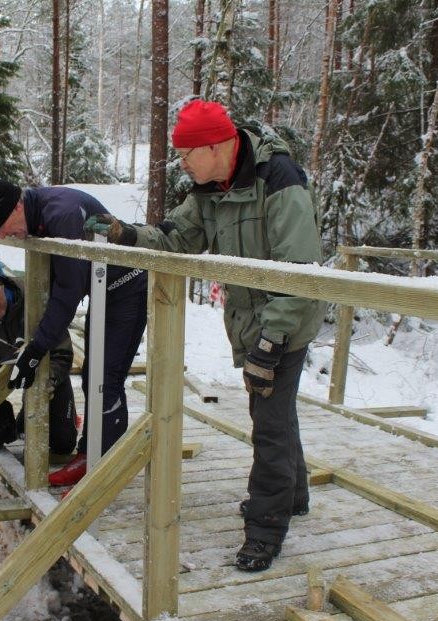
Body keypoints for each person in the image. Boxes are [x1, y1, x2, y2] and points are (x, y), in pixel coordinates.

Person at [86, 99, 326, 572]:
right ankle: (294, 495)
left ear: (215, 147)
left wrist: (270, 342)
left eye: (186, 155)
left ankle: (265, 527)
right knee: (272, 408)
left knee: (271, 422)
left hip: (286, 317)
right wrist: (124, 234)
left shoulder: (280, 180)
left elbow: (299, 271)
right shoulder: (209, 189)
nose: (181, 164)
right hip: (251, 318)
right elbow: (177, 240)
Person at [0, 179, 148, 487]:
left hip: (126, 287)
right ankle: (91, 455)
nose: (0, 235)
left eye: (1, 225)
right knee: (94, 377)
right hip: (102, 287)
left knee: (106, 379)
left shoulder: (62, 214)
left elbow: (68, 291)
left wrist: (38, 348)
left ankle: (104, 470)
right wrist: (32, 341)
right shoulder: (36, 213)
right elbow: (56, 282)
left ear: (17, 205)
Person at [0, 261, 78, 455]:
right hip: (0, 368)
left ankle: (25, 417)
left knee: (63, 444)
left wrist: (49, 379)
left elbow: (62, 352)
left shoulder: (37, 299)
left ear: (0, 284)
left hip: (42, 367)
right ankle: (2, 423)